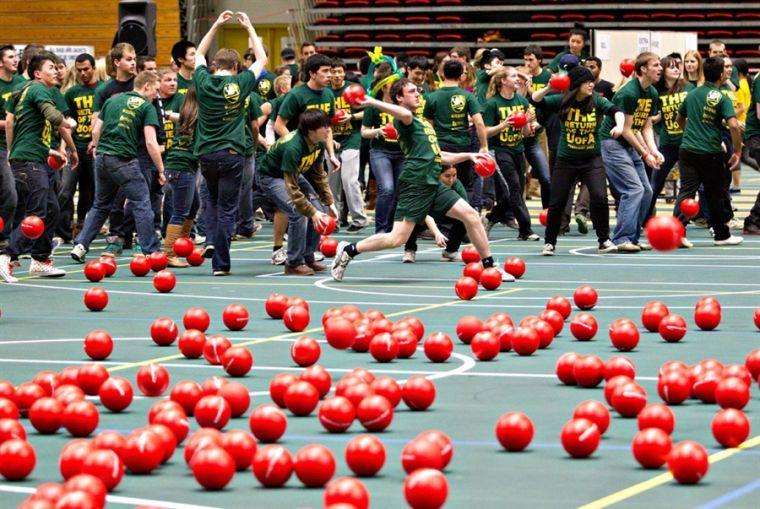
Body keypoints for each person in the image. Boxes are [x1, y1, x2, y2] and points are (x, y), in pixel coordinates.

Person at [331, 78, 510, 282]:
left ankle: (489, 266)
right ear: (399, 97)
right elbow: (404, 113)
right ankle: (349, 250)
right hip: (415, 184)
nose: (418, 94)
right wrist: (371, 101)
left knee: (470, 215)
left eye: (418, 91)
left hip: (432, 182)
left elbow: (438, 156)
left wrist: (469, 155)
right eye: (412, 91)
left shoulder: (422, 123)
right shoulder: (404, 120)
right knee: (396, 239)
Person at [192, 10, 267, 276]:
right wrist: (248, 28)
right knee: (227, 209)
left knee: (211, 202)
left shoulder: (202, 81)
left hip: (207, 155)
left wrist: (215, 24)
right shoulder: (241, 82)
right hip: (233, 153)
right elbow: (262, 59)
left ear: (215, 66)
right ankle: (221, 264)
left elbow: (198, 54)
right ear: (236, 67)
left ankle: (211, 242)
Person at [70, 70, 165, 263]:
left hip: (103, 159)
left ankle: (80, 245)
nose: (157, 95)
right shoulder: (147, 106)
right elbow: (151, 143)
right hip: (123, 160)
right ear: (146, 86)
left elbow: (96, 129)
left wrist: (97, 148)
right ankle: (151, 251)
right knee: (142, 202)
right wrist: (161, 170)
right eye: (155, 90)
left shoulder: (112, 101)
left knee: (100, 205)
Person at [0, 53, 77, 283]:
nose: (56, 71)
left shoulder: (21, 91)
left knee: (52, 209)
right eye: (51, 67)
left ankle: (40, 260)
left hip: (29, 159)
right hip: (31, 164)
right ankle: (7, 256)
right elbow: (54, 117)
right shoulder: (39, 89)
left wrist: (63, 150)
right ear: (37, 73)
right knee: (37, 215)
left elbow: (13, 123)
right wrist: (68, 122)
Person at [533, 66, 624, 255]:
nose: (591, 84)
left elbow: (616, 110)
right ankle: (550, 242)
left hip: (592, 159)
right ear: (576, 84)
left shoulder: (596, 100)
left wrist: (620, 126)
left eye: (592, 80)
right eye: (587, 81)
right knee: (557, 201)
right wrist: (549, 88)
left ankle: (604, 240)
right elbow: (535, 101)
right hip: (566, 160)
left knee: (599, 197)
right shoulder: (562, 100)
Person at [673, 56, 743, 246]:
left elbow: (679, 119)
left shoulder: (693, 94)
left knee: (686, 191)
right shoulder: (722, 96)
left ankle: (677, 234)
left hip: (687, 150)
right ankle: (722, 235)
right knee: (715, 194)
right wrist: (737, 152)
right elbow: (734, 126)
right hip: (710, 153)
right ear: (721, 75)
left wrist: (691, 133)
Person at [259, 109, 337, 275]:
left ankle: (308, 256)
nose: (328, 130)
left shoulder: (319, 143)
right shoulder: (293, 147)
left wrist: (329, 202)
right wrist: (311, 212)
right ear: (311, 130)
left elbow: (319, 175)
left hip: (294, 174)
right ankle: (293, 262)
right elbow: (292, 188)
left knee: (320, 211)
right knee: (298, 212)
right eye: (324, 127)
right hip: (272, 177)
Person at [599, 52, 663, 252]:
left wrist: (654, 151)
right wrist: (645, 154)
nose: (660, 68)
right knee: (633, 190)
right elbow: (625, 130)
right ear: (643, 69)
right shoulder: (629, 93)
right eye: (656, 65)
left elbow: (646, 126)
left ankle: (633, 237)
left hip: (629, 143)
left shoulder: (651, 93)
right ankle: (621, 238)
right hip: (612, 143)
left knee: (647, 191)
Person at [482, 67, 539, 241]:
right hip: (499, 151)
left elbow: (525, 134)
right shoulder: (492, 104)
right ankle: (526, 229)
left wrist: (527, 123)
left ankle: (491, 217)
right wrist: (504, 125)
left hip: (518, 150)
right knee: (514, 188)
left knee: (516, 191)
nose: (517, 79)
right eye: (513, 76)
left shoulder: (521, 101)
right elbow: (484, 132)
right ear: (503, 81)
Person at [424, 60, 488, 205]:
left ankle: (441, 221)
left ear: (442, 74)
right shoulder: (468, 96)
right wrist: (484, 146)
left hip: (440, 147)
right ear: (461, 76)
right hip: (463, 145)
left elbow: (428, 127)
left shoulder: (431, 97)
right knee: (466, 184)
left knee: (439, 183)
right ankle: (465, 221)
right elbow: (479, 122)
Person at [58, 53, 100, 243]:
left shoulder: (102, 90)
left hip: (94, 149)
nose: (82, 73)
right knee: (66, 189)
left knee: (90, 191)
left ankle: (83, 227)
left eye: (86, 69)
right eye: (79, 70)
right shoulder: (72, 93)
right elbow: (65, 124)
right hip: (74, 146)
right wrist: (63, 148)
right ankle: (63, 231)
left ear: (93, 68)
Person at [648, 56, 694, 221]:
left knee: (688, 186)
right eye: (671, 67)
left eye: (678, 66)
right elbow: (652, 117)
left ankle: (681, 221)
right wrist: (660, 128)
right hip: (667, 144)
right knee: (655, 183)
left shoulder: (688, 87)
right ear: (663, 70)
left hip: (687, 143)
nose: (676, 69)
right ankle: (644, 218)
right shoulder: (655, 91)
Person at [361, 72, 405, 234]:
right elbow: (364, 132)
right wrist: (378, 131)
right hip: (380, 151)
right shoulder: (374, 107)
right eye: (393, 83)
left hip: (401, 153)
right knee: (386, 189)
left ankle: (392, 227)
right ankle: (381, 229)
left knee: (399, 191)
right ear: (385, 87)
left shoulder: (402, 106)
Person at [162, 86, 200, 266]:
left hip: (178, 166)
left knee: (193, 207)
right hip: (181, 168)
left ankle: (183, 246)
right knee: (180, 212)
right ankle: (170, 253)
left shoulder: (187, 115)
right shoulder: (199, 118)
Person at [330, 58, 368, 233]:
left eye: (340, 72)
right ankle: (335, 220)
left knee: (349, 180)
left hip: (351, 139)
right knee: (332, 184)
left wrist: (351, 117)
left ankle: (359, 219)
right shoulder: (325, 92)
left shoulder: (352, 89)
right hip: (331, 141)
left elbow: (368, 110)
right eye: (333, 72)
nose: (337, 75)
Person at [402, 165, 467, 263]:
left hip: (445, 213)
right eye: (447, 176)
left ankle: (450, 251)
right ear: (437, 175)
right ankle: (410, 250)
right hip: (424, 215)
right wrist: (437, 233)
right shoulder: (427, 185)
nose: (451, 180)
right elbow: (425, 214)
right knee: (411, 219)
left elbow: (465, 209)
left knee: (464, 218)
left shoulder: (457, 185)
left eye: (454, 175)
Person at [0, 45, 26, 246]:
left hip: (19, 146)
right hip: (2, 148)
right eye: (10, 57)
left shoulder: (21, 83)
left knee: (22, 194)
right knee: (10, 194)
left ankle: (16, 238)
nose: (15, 59)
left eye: (16, 56)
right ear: (1, 62)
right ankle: (5, 238)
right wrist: (11, 122)